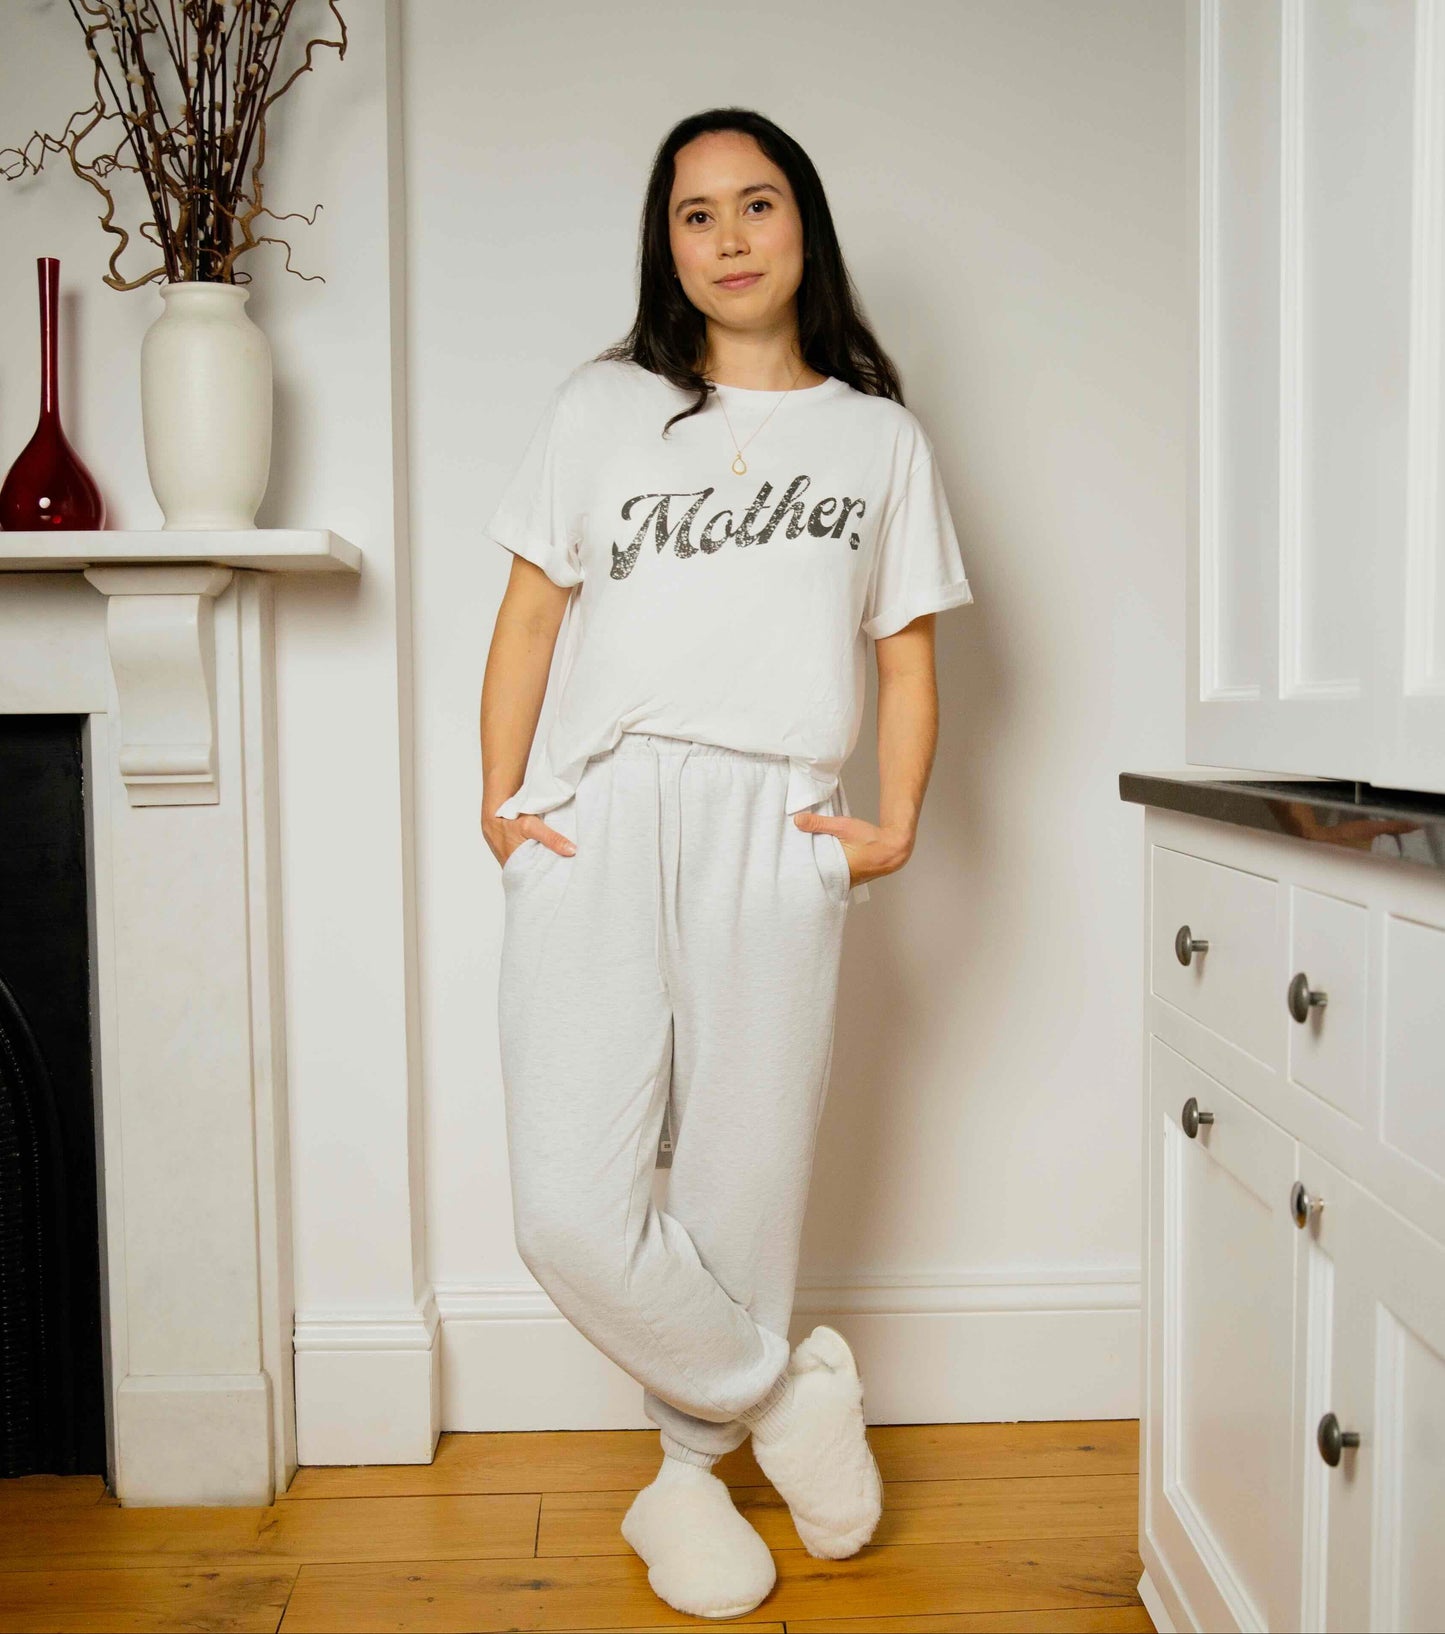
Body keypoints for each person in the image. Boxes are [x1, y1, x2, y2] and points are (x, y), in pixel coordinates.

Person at [478, 106, 974, 1621]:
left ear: (802, 223)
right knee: (568, 1207)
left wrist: (895, 821)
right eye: (695, 215)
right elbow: (529, 617)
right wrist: (499, 804)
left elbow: (904, 655)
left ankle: (684, 1481)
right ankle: (780, 1393)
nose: (730, 237)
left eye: (756, 204)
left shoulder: (878, 439)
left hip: (780, 820)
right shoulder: (601, 407)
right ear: (667, 246)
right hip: (606, 806)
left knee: (745, 1181)